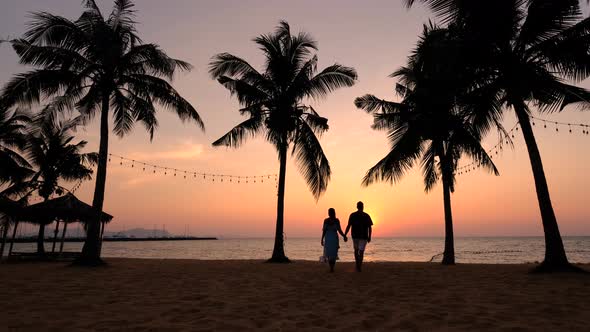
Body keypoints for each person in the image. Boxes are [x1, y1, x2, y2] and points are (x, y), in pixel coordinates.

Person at [344, 201, 373, 272]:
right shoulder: (366, 215)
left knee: (356, 251)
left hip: (355, 236)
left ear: (357, 207)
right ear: (363, 207)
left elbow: (348, 226)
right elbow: (370, 227)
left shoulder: (353, 215)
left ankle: (357, 264)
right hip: (363, 236)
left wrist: (345, 234)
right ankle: (359, 266)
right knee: (361, 252)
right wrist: (369, 237)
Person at [321, 208, 347, 272]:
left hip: (329, 237)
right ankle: (332, 268)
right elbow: (339, 230)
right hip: (332, 237)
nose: (329, 213)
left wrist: (322, 239)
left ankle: (331, 268)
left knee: (331, 253)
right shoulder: (335, 220)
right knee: (332, 253)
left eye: (329, 212)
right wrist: (344, 236)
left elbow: (324, 231)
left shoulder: (327, 220)